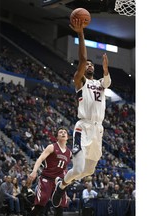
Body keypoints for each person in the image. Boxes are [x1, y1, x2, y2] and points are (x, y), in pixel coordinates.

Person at [51, 17, 111, 208]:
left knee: (89, 171)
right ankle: (61, 186)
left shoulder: (101, 83)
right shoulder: (80, 81)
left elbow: (107, 81)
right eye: (87, 64)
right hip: (83, 127)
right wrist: (80, 33)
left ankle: (65, 182)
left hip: (98, 129)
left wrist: (106, 69)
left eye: (92, 64)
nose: (90, 65)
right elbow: (83, 59)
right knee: (77, 168)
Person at [27, 127, 72, 216]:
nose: (63, 133)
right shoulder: (51, 147)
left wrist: (67, 180)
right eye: (60, 132)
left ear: (67, 137)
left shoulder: (69, 153)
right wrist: (34, 171)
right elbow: (40, 159)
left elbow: (64, 168)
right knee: (40, 205)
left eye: (65, 132)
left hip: (58, 181)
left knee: (60, 207)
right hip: (46, 179)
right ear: (57, 137)